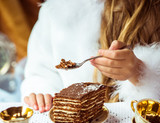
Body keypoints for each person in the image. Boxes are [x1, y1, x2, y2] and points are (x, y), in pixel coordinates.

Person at [21, 0, 160, 113]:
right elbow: (41, 72)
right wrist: (43, 94)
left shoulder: (154, 11)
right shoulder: (56, 11)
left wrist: (140, 72)